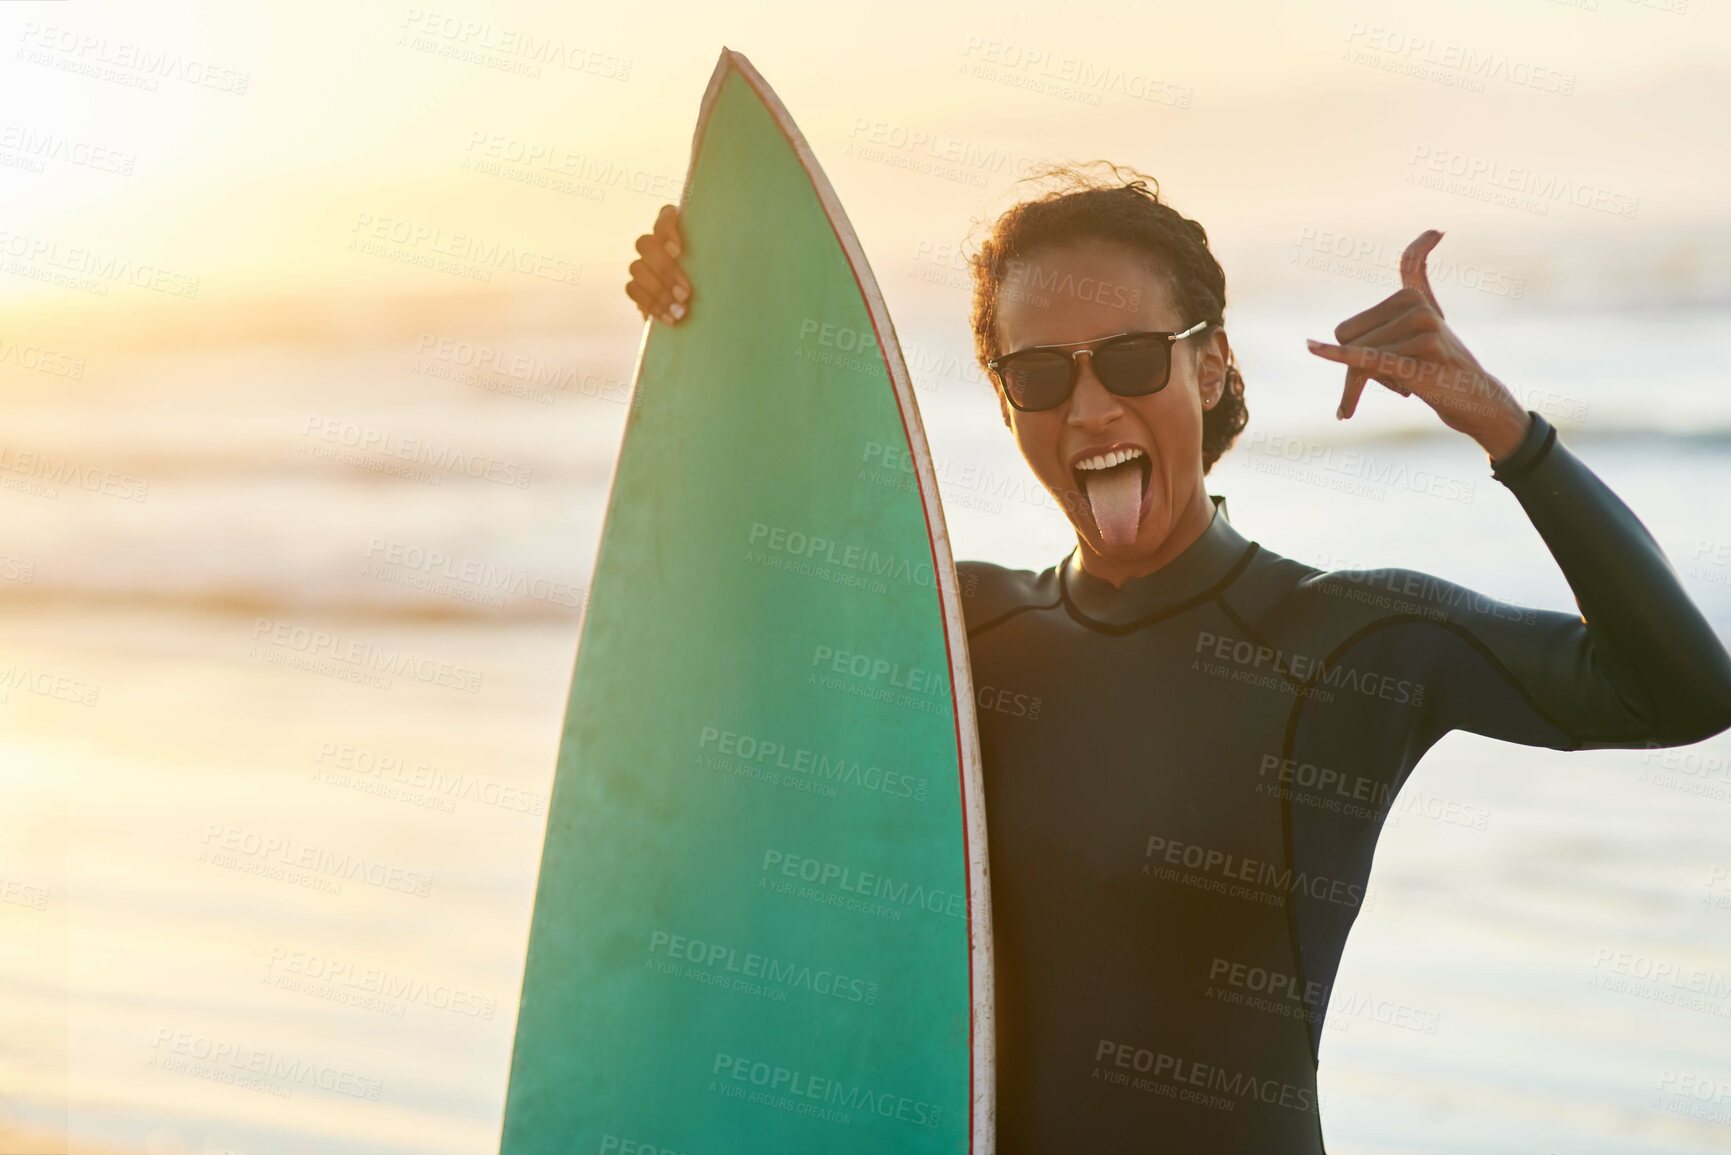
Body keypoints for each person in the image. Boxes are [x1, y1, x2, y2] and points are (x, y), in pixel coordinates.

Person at [624, 164, 1731, 1153]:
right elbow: (703, 658)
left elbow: (1681, 691)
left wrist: (1506, 430)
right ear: (1008, 402)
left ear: (1210, 369)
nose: (1092, 405)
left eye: (1133, 358)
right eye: (1042, 376)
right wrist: (701, 339)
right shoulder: (951, 633)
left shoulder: (1350, 639)